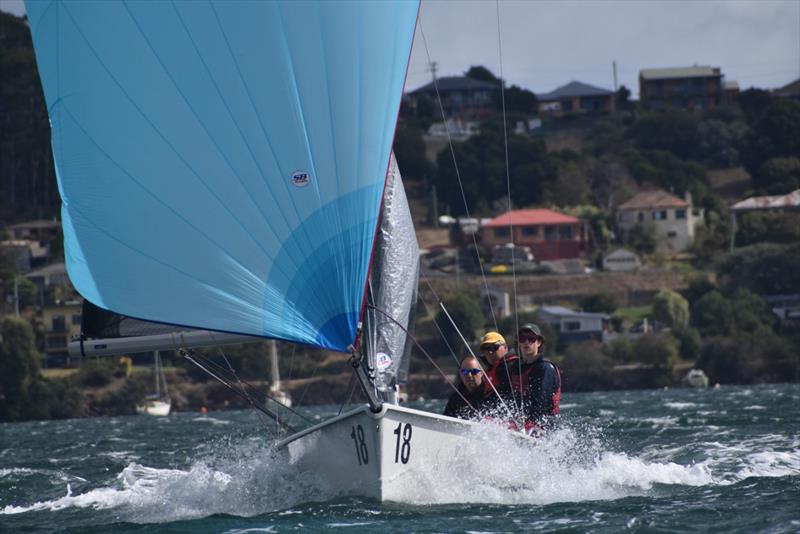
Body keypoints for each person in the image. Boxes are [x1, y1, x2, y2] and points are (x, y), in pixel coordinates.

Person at [498, 323, 561, 432]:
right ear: (518, 343)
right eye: (522, 339)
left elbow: (540, 403)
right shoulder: (514, 368)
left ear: (539, 343)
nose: (526, 342)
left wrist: (525, 422)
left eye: (531, 339)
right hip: (520, 422)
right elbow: (507, 397)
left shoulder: (545, 369)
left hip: (542, 425)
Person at [443, 355, 487, 419]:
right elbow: (445, 422)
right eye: (464, 371)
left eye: (473, 371)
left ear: (481, 373)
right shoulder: (455, 398)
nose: (469, 375)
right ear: (460, 374)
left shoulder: (489, 393)